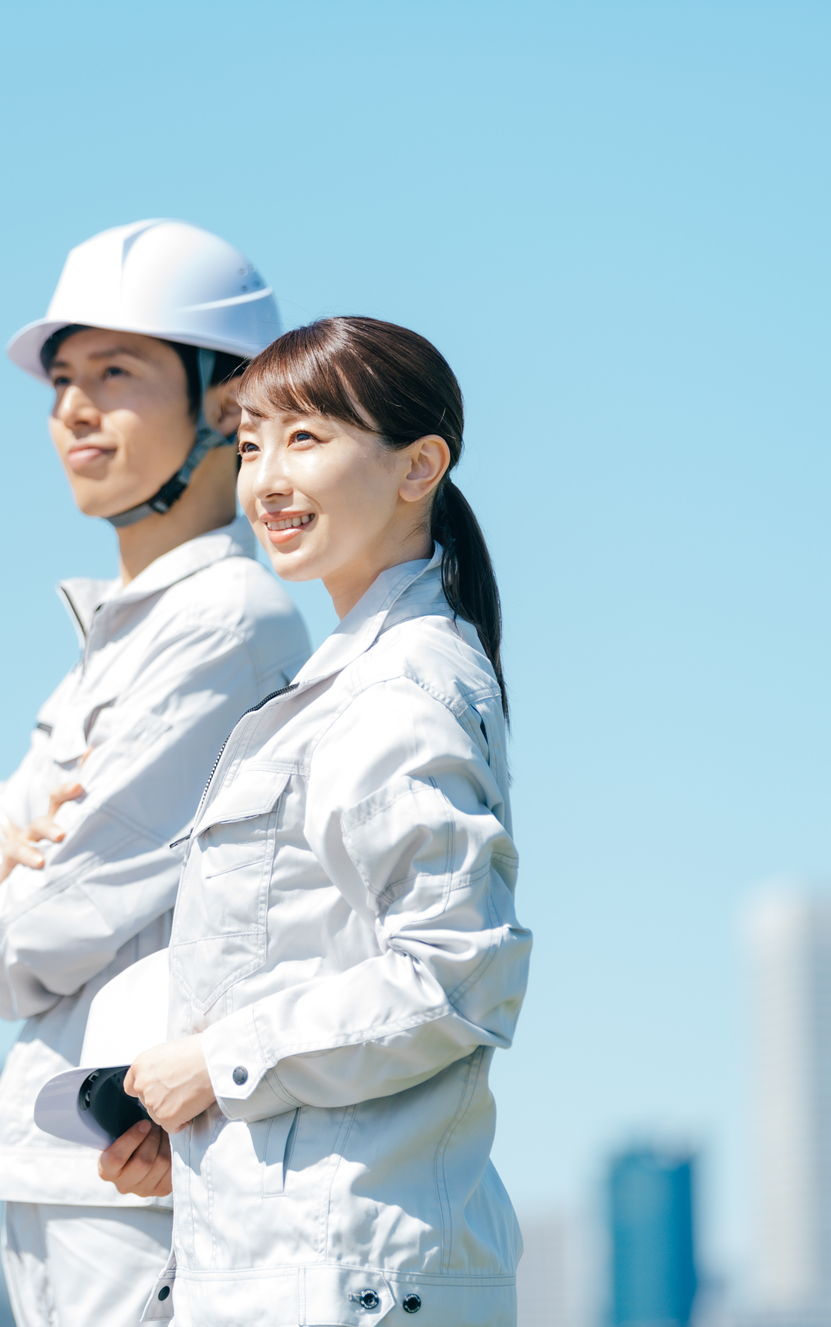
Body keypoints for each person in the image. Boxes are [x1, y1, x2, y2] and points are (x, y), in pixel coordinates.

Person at [0, 219, 313, 1327]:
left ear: (227, 404)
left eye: (116, 373)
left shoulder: (227, 622)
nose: (73, 410)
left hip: (137, 1170)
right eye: (62, 382)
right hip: (67, 1161)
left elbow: (47, 926)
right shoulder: (121, 643)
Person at [109, 317, 531, 1326]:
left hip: (345, 1276)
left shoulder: (397, 687)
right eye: (251, 444)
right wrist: (197, 1112)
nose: (265, 478)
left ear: (418, 466)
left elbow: (451, 976)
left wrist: (218, 1064)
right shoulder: (344, 682)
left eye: (304, 438)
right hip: (299, 1266)